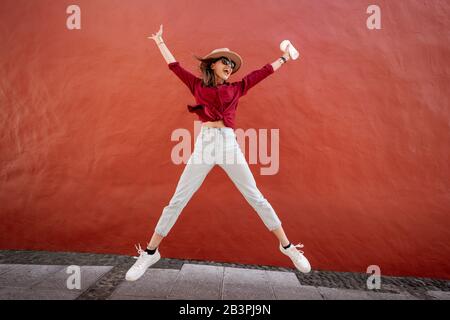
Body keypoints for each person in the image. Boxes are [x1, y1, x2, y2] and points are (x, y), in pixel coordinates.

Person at [125, 25, 311, 281]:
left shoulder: (238, 87)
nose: (230, 67)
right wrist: (160, 42)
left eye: (232, 65)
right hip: (205, 144)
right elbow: (174, 67)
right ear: (213, 65)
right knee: (178, 199)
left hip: (228, 145)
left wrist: (284, 57)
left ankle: (287, 247)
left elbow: (263, 72)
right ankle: (150, 252)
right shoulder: (197, 85)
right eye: (225, 62)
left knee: (255, 196)